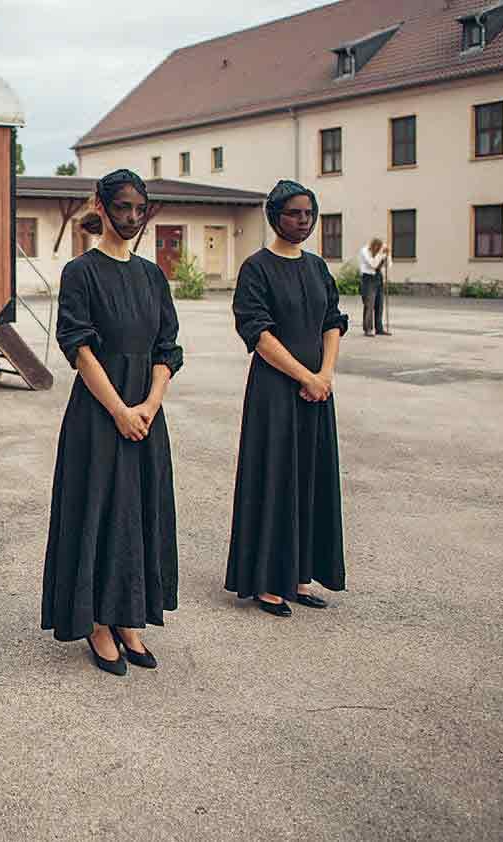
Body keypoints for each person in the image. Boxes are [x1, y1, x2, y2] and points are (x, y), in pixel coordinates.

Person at [40, 170, 183, 675]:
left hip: (146, 414)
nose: (131, 217)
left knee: (138, 513)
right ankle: (98, 623)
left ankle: (128, 617)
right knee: (99, 512)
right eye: (122, 207)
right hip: (99, 416)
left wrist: (149, 405)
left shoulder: (152, 276)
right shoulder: (81, 272)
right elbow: (78, 348)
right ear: (100, 206)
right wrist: (120, 410)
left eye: (139, 209)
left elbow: (167, 347)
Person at [224, 179, 348, 618]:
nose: (303, 221)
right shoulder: (256, 269)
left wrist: (324, 375)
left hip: (316, 392)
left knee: (309, 478)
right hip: (275, 393)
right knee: (275, 479)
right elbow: (257, 333)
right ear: (275, 216)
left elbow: (332, 321)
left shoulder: (317, 268)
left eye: (309, 214)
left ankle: (298, 575)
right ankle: (266, 581)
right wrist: (304, 376)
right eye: (295, 213)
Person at [358, 237, 392, 337]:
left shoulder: (380, 253)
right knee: (369, 304)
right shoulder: (365, 251)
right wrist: (381, 254)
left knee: (379, 304)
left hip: (378, 277)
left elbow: (388, 265)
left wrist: (387, 255)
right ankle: (368, 328)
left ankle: (379, 328)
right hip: (368, 278)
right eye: (378, 248)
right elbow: (373, 264)